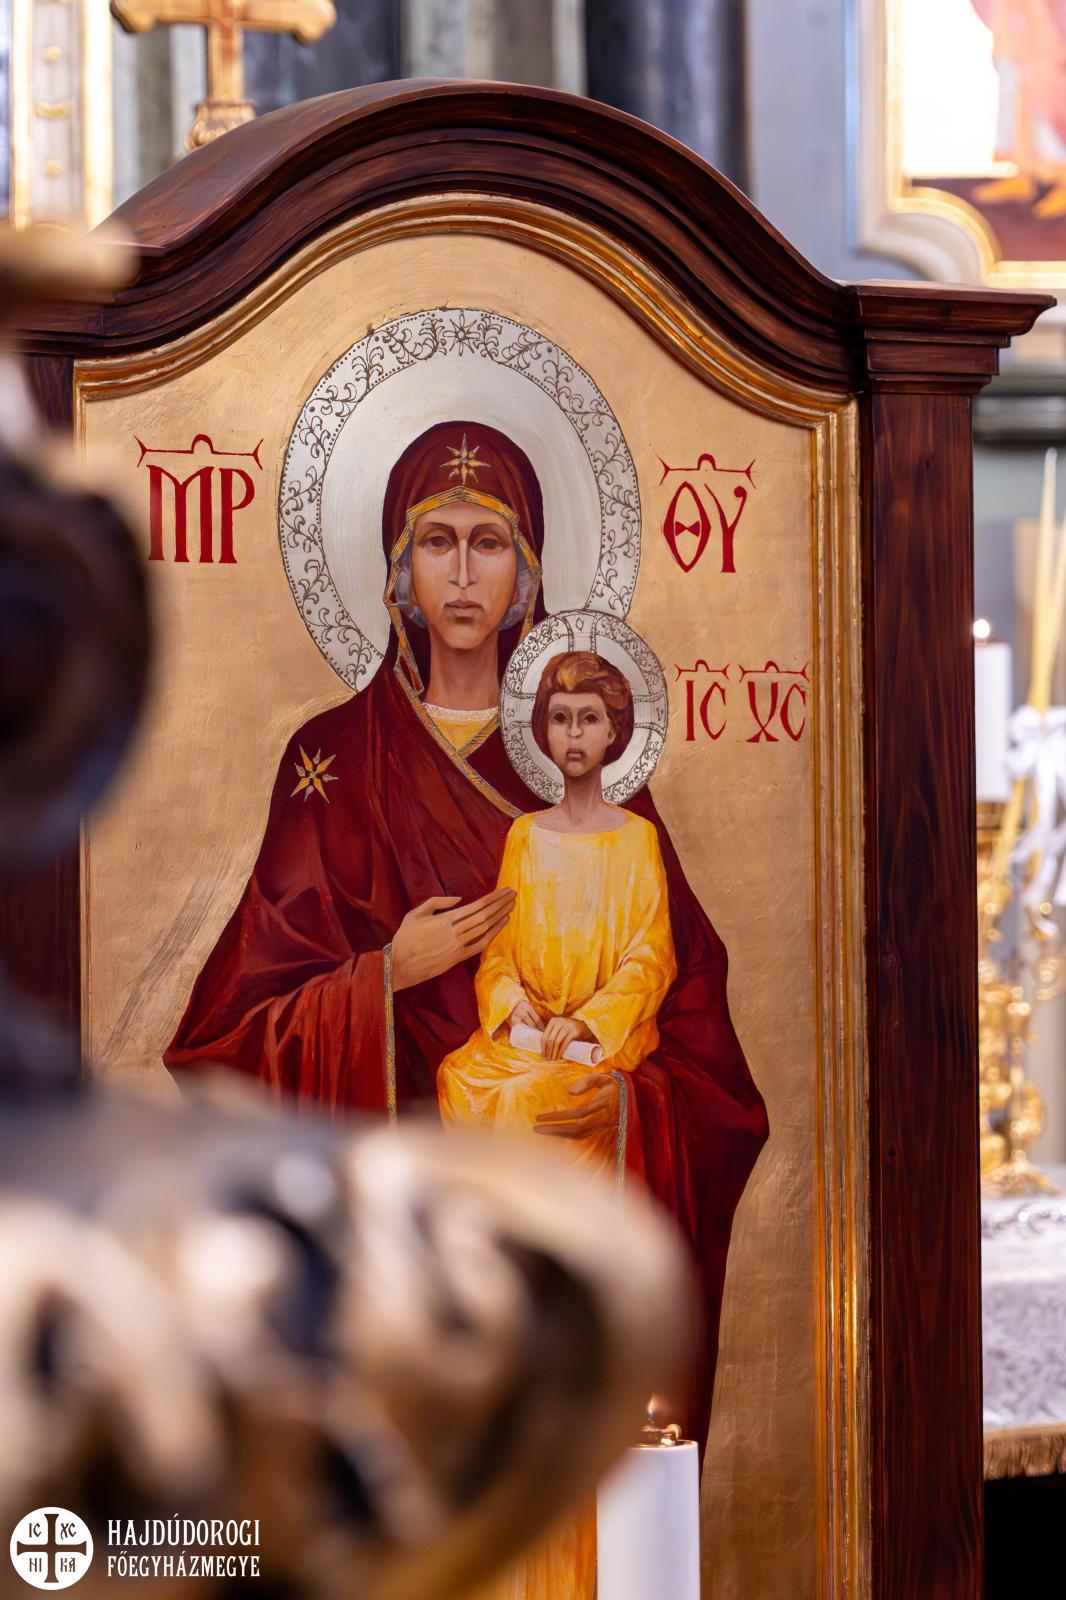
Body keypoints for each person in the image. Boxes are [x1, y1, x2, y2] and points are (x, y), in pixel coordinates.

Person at [165, 419, 768, 1461]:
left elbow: (692, 1020)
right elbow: (222, 1038)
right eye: (435, 541)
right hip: (402, 1228)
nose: (460, 572)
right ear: (398, 570)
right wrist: (381, 977)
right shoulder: (334, 759)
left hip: (562, 1193)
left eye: (488, 543)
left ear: (526, 570)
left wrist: (630, 1105)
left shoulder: (601, 781)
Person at [439, 650, 676, 1173]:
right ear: (543, 732)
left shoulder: (637, 839)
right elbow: (499, 951)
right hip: (532, 1036)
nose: (573, 735)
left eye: (589, 719)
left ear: (612, 730)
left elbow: (651, 959)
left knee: (522, 1100)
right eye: (560, 719)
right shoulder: (525, 835)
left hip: (598, 1042)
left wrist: (587, 1022)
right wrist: (510, 1004)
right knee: (458, 1075)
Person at [971, 0, 1066, 218]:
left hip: (1044, 29)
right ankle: (1023, 174)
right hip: (1013, 29)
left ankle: (1062, 179)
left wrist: (1048, 33)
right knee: (1014, 98)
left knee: (1046, 102)